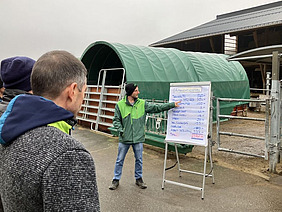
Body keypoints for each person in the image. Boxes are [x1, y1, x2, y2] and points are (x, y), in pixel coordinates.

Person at [0, 50, 100, 211]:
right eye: (84, 91)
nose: (83, 98)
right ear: (72, 91)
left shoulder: (9, 130)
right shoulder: (68, 155)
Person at [109, 83, 180, 190]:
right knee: (120, 160)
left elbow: (157, 107)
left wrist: (171, 105)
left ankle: (139, 179)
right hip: (125, 138)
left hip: (138, 138)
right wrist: (121, 130)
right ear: (130, 92)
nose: (138, 92)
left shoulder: (142, 104)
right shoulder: (120, 105)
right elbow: (116, 120)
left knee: (139, 159)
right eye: (136, 91)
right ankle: (115, 180)